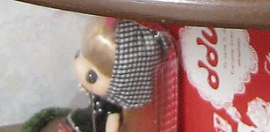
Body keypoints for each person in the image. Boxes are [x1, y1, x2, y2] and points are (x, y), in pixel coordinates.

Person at [22, 17, 175, 132]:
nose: (78, 66)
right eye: (79, 54)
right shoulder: (100, 96)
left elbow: (112, 124)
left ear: (121, 88)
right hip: (85, 118)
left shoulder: (112, 106)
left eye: (92, 76)